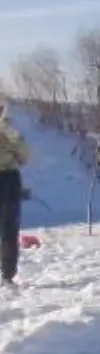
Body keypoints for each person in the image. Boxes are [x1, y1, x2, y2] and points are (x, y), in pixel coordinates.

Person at [0, 101, 30, 288]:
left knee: (8, 227)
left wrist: (9, 132)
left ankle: (7, 273)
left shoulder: (10, 129)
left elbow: (25, 156)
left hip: (8, 179)